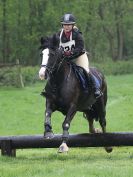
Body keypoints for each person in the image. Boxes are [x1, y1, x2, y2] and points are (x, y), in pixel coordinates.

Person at [57, 13, 102, 98]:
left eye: (69, 25)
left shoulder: (77, 34)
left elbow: (80, 48)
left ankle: (96, 89)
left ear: (73, 25)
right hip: (65, 58)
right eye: (65, 25)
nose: (66, 27)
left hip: (79, 56)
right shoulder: (59, 34)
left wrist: (70, 53)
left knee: (85, 70)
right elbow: (55, 45)